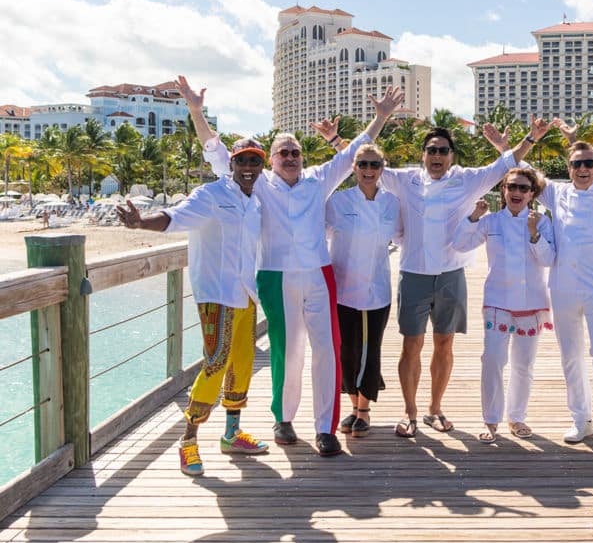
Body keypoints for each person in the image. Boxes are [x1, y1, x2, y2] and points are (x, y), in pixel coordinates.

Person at [179, 75, 403, 457]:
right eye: (282, 152)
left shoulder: (319, 179)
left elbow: (353, 155)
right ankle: (283, 419)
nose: (289, 158)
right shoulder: (259, 181)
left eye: (295, 152)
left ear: (303, 157)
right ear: (273, 158)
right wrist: (196, 112)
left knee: (328, 349)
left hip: (318, 273)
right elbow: (215, 151)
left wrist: (380, 117)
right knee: (288, 349)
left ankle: (324, 428)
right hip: (275, 275)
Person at [374, 118, 553, 438]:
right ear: (423, 154)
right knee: (410, 346)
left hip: (451, 273)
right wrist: (335, 141)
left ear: (452, 155)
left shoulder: (467, 181)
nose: (437, 155)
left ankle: (434, 409)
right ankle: (410, 412)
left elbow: (506, 164)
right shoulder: (405, 180)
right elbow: (363, 163)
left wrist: (530, 138)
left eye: (443, 150)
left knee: (444, 344)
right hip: (413, 271)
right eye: (431, 150)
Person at [116, 136, 267, 477]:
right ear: (231, 164)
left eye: (254, 161)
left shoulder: (255, 202)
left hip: (246, 293)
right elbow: (175, 217)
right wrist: (141, 222)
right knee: (215, 364)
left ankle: (231, 434)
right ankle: (188, 441)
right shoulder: (211, 196)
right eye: (242, 160)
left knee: (242, 362)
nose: (247, 168)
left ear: (261, 167)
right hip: (216, 293)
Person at [528, 139, 593, 448]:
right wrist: (506, 146)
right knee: (570, 356)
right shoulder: (557, 194)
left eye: (589, 164)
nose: (582, 169)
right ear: (569, 168)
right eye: (576, 164)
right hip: (562, 289)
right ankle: (581, 419)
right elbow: (527, 173)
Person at [452, 168, 554, 443]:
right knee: (493, 360)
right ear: (504, 191)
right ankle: (491, 419)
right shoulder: (490, 222)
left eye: (523, 188)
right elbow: (460, 244)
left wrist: (534, 234)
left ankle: (517, 417)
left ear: (532, 194)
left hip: (531, 302)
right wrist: (473, 217)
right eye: (512, 187)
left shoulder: (542, 222)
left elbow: (548, 260)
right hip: (498, 302)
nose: (516, 192)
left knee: (524, 364)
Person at [325, 142, 402, 438]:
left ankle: (364, 410)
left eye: (374, 165)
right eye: (363, 164)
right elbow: (316, 235)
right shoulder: (337, 202)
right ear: (353, 168)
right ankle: (352, 404)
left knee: (370, 351)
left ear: (382, 169)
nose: (369, 170)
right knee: (347, 350)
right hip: (343, 289)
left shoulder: (392, 204)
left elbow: (404, 236)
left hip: (376, 290)